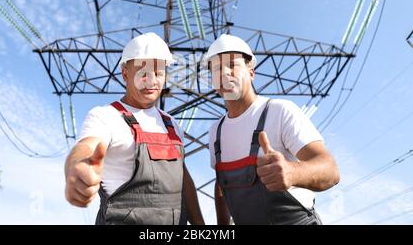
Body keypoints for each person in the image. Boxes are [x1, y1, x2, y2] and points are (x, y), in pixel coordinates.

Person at [64, 32, 204, 225]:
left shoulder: (172, 125)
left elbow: (184, 180)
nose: (151, 80)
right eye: (142, 72)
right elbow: (86, 147)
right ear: (125, 73)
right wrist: (76, 167)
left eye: (159, 73)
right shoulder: (105, 116)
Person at [205, 34, 340, 225]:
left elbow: (331, 171)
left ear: (251, 72)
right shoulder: (215, 132)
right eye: (217, 68)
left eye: (233, 65)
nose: (225, 73)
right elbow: (221, 185)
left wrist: (293, 173)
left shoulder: (279, 111)